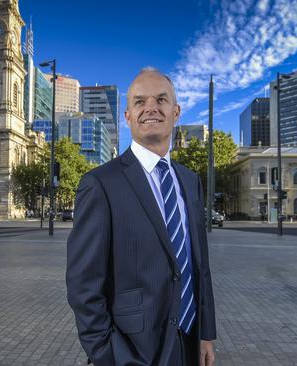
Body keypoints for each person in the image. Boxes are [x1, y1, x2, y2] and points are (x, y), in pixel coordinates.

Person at [66, 68, 216, 366]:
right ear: (128, 116)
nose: (151, 107)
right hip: (133, 349)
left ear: (176, 112)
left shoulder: (190, 181)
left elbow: (200, 265)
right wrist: (107, 355)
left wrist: (206, 333)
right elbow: (83, 285)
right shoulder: (100, 184)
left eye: (161, 99)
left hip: (188, 342)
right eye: (139, 102)